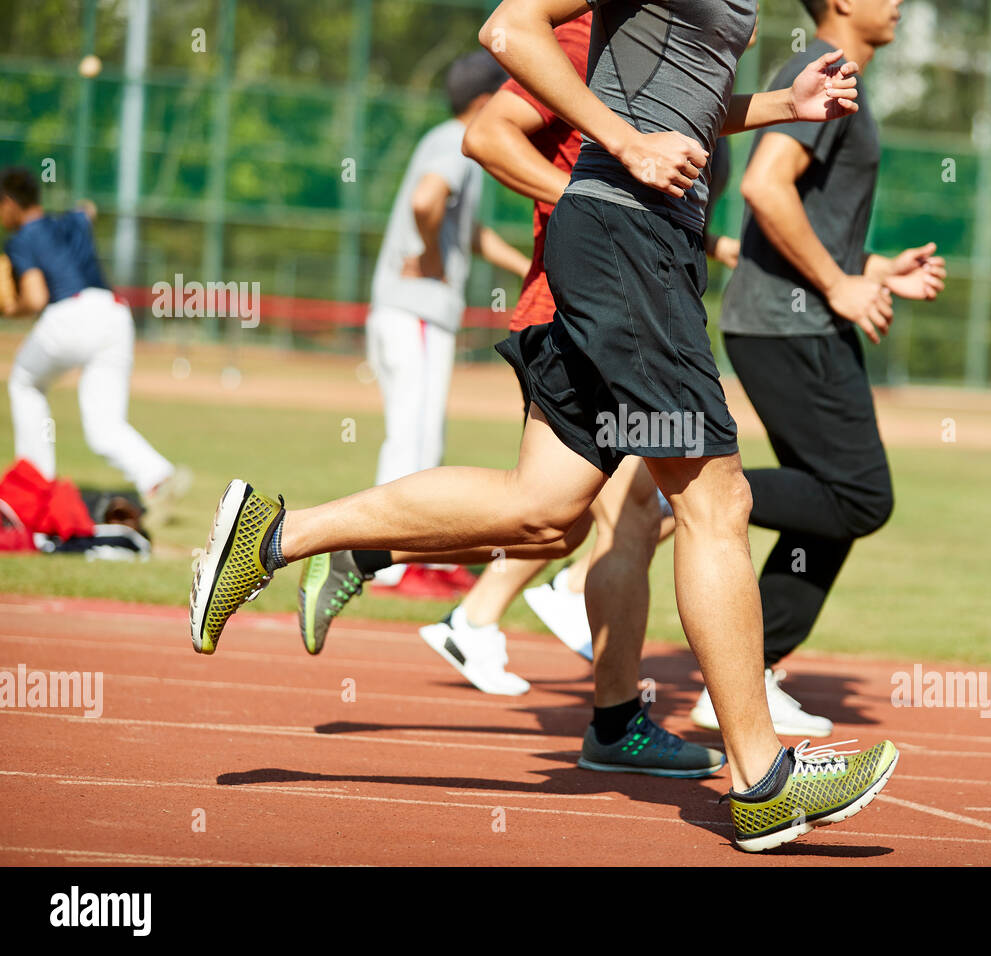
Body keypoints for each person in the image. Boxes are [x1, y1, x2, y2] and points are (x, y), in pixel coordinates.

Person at [191, 0, 897, 853]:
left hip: (646, 245)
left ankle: (277, 535)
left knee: (545, 508)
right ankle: (762, 780)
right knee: (717, 499)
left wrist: (784, 107)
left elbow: (686, 108)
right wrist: (626, 146)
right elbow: (509, 29)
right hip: (624, 239)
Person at [297, 13, 723, 782]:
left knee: (557, 521)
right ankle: (613, 713)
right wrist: (603, 209)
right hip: (588, 301)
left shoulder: (664, 45)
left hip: (628, 297)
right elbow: (490, 135)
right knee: (642, 510)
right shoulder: (586, 32)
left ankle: (373, 552)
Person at [695, 0, 946, 739]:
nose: (898, 1)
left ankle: (748, 674)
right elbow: (764, 185)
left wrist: (872, 269)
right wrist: (837, 286)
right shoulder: (823, 72)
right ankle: (691, 495)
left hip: (787, 322)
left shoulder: (838, 79)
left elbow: (802, 217)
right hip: (788, 326)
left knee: (833, 509)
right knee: (861, 496)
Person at [365, 51, 532, 597]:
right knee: (413, 437)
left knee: (417, 434)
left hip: (406, 309)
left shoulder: (447, 137)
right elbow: (425, 200)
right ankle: (391, 560)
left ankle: (409, 556)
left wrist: (528, 264)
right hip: (414, 309)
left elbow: (467, 230)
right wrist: (431, 255)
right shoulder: (457, 141)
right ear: (485, 103)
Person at [2, 167, 182, 510]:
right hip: (114, 314)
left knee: (24, 383)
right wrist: (82, 210)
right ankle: (157, 475)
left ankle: (35, 481)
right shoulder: (72, 220)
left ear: (10, 203)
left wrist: (10, 309)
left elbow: (36, 298)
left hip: (71, 315)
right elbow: (88, 210)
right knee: (103, 425)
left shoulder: (23, 238)